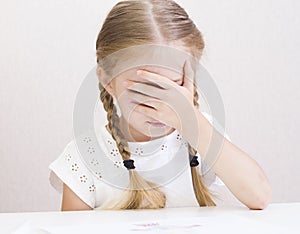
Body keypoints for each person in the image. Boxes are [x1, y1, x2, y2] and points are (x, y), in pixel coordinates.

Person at [49, 0, 272, 211]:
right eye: (143, 89)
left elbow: (259, 196)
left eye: (173, 87)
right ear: (108, 80)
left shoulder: (200, 137)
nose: (160, 105)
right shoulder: (86, 156)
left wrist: (193, 123)